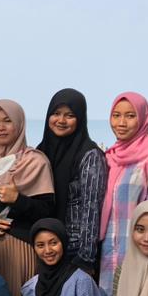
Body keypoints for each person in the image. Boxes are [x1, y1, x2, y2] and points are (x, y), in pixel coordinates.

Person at [0, 99, 56, 296]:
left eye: (7, 121)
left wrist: (18, 200)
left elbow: (47, 212)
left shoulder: (36, 161)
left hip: (23, 249)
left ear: (20, 124)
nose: (1, 127)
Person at [99, 92, 148, 296]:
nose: (121, 123)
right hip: (108, 253)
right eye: (116, 115)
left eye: (130, 116)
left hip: (139, 251)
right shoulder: (110, 157)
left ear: (142, 118)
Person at [35, 89, 107, 272]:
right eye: (56, 113)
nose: (61, 120)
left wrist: (85, 258)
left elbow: (91, 208)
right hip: (45, 249)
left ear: (80, 119)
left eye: (69, 115)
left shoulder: (89, 155)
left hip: (74, 251)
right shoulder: (40, 152)